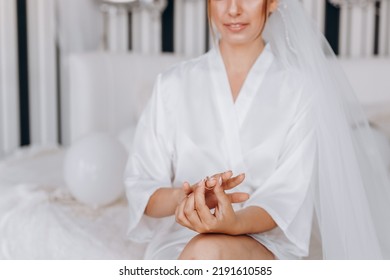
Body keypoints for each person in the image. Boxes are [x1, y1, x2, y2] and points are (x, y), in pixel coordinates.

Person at [124, 0, 390, 260]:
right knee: (202, 250)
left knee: (208, 252)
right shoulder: (171, 85)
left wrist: (233, 223)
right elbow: (142, 186)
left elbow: (286, 197)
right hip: (180, 240)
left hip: (262, 241)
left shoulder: (300, 90)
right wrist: (188, 198)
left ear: (272, 2)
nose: (233, 9)